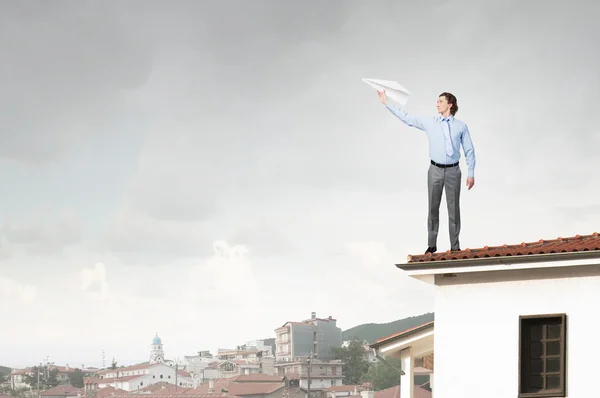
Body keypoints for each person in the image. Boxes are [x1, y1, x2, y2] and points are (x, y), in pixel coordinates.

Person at [377, 90, 476, 254]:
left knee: (454, 210)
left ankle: (455, 246)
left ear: (449, 105)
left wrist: (471, 172)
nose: (437, 104)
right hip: (435, 170)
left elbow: (469, 150)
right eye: (437, 101)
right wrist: (387, 103)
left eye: (440, 101)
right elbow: (407, 118)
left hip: (453, 171)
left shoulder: (461, 126)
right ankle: (432, 244)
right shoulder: (430, 122)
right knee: (432, 208)